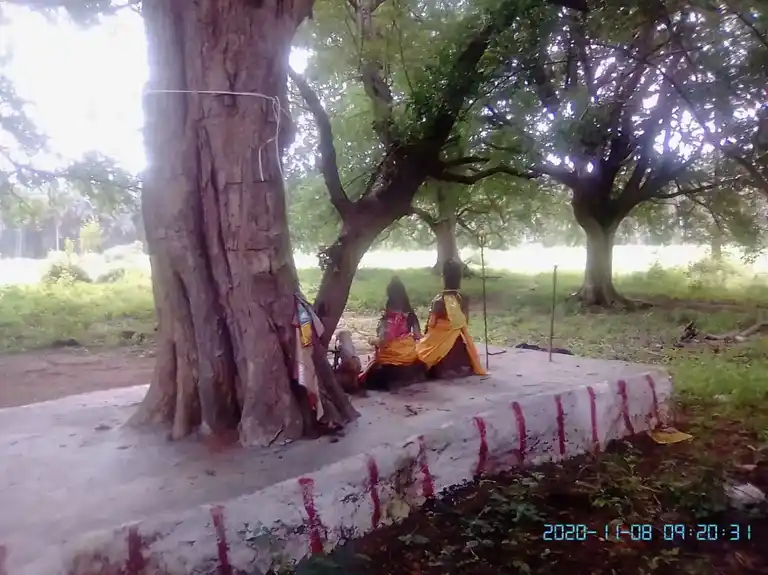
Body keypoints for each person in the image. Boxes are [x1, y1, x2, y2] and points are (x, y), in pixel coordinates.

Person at [416, 259, 487, 378]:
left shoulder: (438, 301)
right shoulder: (463, 298)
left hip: (439, 345)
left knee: (420, 350)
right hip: (459, 341)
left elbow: (431, 324)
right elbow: (465, 321)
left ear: (443, 278)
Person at [359, 276, 427, 390]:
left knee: (372, 374)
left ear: (389, 296)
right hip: (409, 359)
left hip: (391, 360)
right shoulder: (411, 315)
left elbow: (383, 341)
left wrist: (371, 340)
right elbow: (417, 336)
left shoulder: (388, 318)